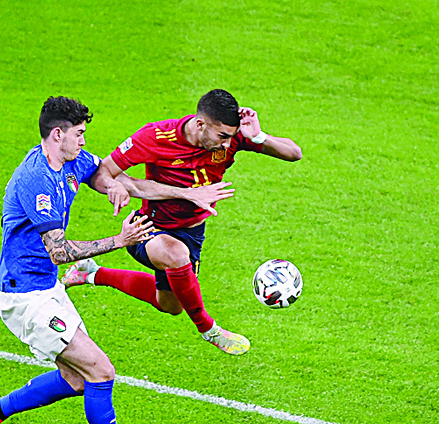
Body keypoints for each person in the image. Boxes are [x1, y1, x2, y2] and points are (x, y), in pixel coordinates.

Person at [0, 96, 232, 424]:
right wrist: (120, 239)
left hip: (45, 288)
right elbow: (59, 252)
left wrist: (136, 190)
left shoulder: (71, 159)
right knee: (100, 370)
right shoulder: (36, 181)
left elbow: (117, 179)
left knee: (77, 380)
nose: (83, 141)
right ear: (57, 134)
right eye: (79, 134)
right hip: (22, 295)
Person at [61, 89, 302, 355]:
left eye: (231, 138)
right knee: (176, 254)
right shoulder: (154, 137)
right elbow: (104, 172)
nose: (226, 145)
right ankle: (210, 330)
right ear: (201, 124)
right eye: (222, 136)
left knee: (171, 305)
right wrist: (179, 193)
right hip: (148, 226)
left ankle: (91, 273)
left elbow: (294, 153)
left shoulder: (231, 137)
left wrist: (258, 136)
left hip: (192, 232)